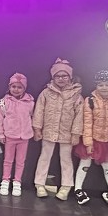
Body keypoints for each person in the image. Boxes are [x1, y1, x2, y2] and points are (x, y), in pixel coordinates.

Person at [74, 70, 108, 207]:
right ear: (96, 86)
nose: (104, 88)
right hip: (91, 140)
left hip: (106, 142)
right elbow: (87, 123)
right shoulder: (90, 101)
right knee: (84, 164)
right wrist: (88, 143)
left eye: (107, 85)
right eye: (100, 85)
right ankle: (78, 189)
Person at [32, 58, 83, 199]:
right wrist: (37, 129)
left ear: (70, 77)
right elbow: (39, 111)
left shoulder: (76, 95)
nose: (61, 79)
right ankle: (39, 184)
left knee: (66, 159)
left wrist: (76, 134)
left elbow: (79, 115)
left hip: (67, 133)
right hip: (48, 131)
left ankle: (66, 186)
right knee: (44, 157)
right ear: (53, 77)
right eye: (57, 76)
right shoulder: (46, 93)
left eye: (64, 76)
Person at [0, 72, 34, 197]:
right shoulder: (4, 102)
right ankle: (5, 180)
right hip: (10, 136)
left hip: (24, 137)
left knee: (20, 161)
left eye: (19, 87)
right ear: (9, 87)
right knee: (8, 160)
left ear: (24, 88)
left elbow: (32, 116)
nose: (16, 89)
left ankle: (17, 181)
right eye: (13, 86)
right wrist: (1, 134)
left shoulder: (30, 102)